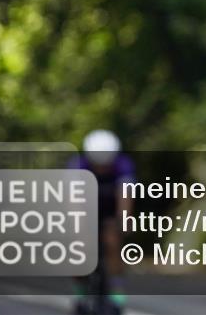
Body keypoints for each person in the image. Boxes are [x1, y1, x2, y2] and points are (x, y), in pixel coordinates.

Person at [69, 130, 135, 315]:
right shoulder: (78, 165)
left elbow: (125, 195)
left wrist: (124, 220)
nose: (102, 169)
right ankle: (80, 295)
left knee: (113, 242)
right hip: (85, 208)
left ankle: (117, 296)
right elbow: (73, 199)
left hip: (110, 210)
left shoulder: (123, 165)